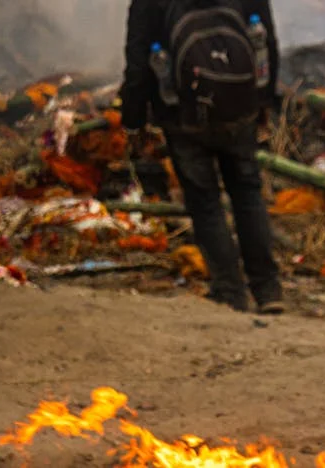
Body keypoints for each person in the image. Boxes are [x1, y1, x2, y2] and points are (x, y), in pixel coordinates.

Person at [120, 0, 283, 314]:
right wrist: (264, 100)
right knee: (247, 193)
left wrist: (134, 121)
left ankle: (230, 292)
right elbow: (267, 40)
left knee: (205, 202)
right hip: (240, 105)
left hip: (182, 114)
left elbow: (138, 64)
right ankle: (267, 289)